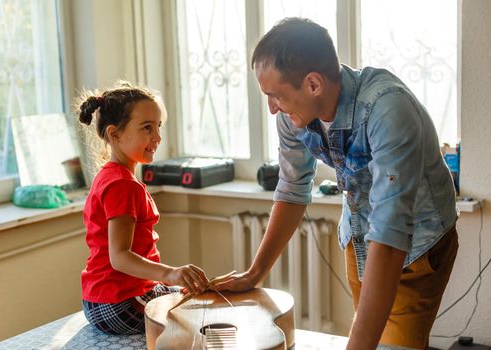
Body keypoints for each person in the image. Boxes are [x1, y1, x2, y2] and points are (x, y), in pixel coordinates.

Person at [214, 18, 458, 349]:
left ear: (313, 84)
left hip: (416, 245)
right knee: (367, 333)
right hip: (358, 236)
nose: (271, 108)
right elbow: (292, 189)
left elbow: (391, 231)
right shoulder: (293, 114)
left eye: (275, 95)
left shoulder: (388, 108)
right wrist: (254, 273)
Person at [76, 81, 208, 335]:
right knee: (197, 312)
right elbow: (120, 257)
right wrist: (170, 273)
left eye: (158, 126)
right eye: (147, 128)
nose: (157, 137)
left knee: (187, 292)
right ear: (115, 134)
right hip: (117, 303)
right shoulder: (122, 185)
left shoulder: (110, 176)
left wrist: (173, 280)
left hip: (100, 299)